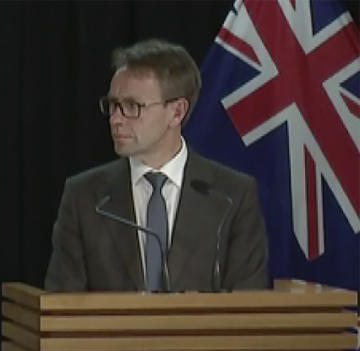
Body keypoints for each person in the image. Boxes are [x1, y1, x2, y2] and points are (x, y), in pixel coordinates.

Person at [44, 39, 268, 292]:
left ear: (176, 112)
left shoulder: (231, 196)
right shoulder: (84, 196)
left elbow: (249, 305)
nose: (116, 119)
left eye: (132, 106)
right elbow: (61, 305)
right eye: (113, 105)